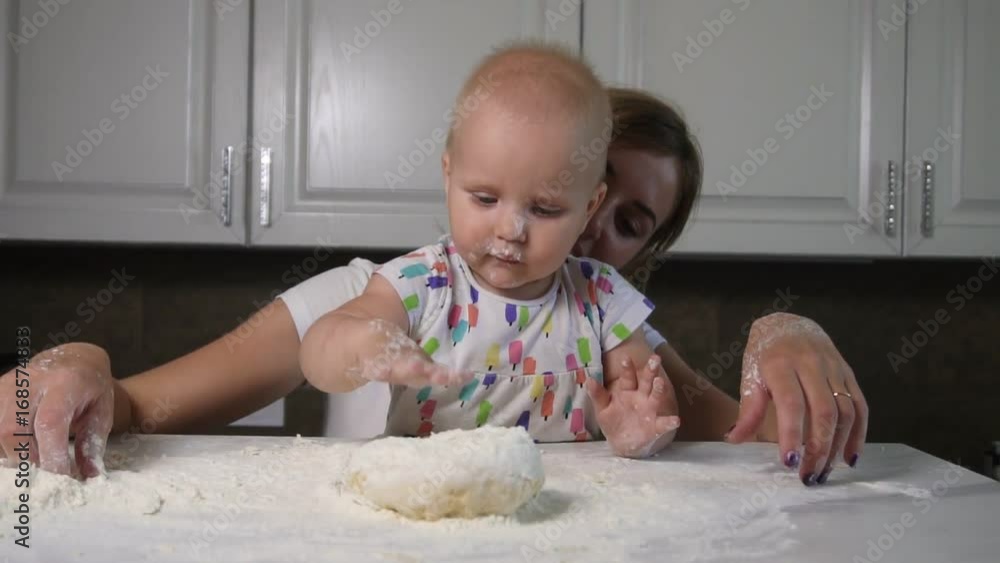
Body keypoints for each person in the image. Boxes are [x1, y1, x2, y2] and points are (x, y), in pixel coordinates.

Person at [0, 51, 868, 487]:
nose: (523, 234)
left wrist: (785, 334)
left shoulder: (611, 322)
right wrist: (79, 361)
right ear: (459, 174)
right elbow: (140, 407)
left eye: (620, 220)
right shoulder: (386, 293)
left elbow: (761, 449)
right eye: (498, 195)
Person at [299, 43, 680, 458]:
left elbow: (652, 402)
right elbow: (319, 349)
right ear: (448, 176)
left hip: (569, 511)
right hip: (436, 506)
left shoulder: (603, 299)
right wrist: (361, 346)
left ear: (590, 206)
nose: (510, 230)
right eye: (484, 198)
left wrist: (641, 426)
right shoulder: (421, 283)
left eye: (544, 209)